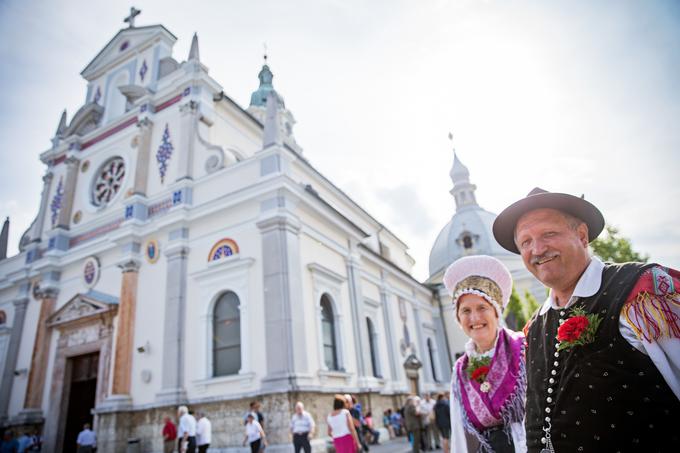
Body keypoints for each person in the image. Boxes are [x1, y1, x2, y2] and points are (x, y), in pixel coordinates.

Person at [492, 187, 680, 451]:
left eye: (549, 234)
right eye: (525, 242)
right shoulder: (534, 327)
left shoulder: (641, 290)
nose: (537, 249)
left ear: (581, 235)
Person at [443, 254, 527, 452]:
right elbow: (459, 430)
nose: (474, 317)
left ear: (496, 312)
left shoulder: (523, 348)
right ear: (458, 318)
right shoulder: (460, 369)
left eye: (482, 307)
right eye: (465, 311)